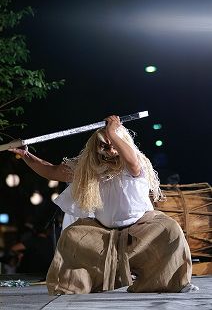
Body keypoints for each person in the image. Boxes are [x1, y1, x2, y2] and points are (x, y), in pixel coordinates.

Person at [9, 115, 198, 295]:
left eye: (113, 145)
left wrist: (113, 133)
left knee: (169, 229)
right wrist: (27, 155)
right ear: (95, 148)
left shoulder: (135, 162)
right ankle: (72, 285)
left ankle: (174, 282)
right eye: (103, 146)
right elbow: (52, 171)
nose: (109, 151)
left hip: (142, 227)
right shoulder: (87, 168)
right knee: (71, 236)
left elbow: (131, 162)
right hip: (102, 231)